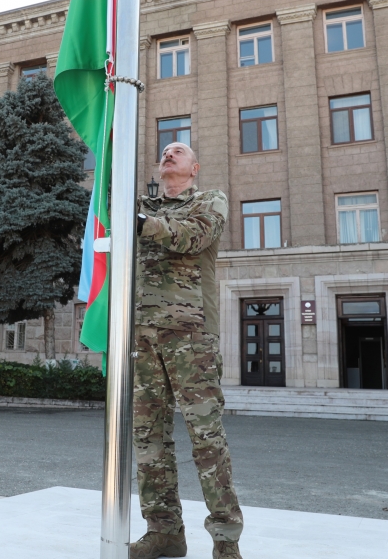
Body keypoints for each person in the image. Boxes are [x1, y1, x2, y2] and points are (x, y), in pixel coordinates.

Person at [130, 142, 243, 559]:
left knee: (206, 438)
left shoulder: (209, 200)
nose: (168, 154)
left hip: (190, 335)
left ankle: (226, 540)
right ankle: (164, 532)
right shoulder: (138, 204)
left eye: (178, 151)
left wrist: (143, 222)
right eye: (164, 151)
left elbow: (195, 236)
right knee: (148, 438)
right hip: (142, 335)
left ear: (194, 167)